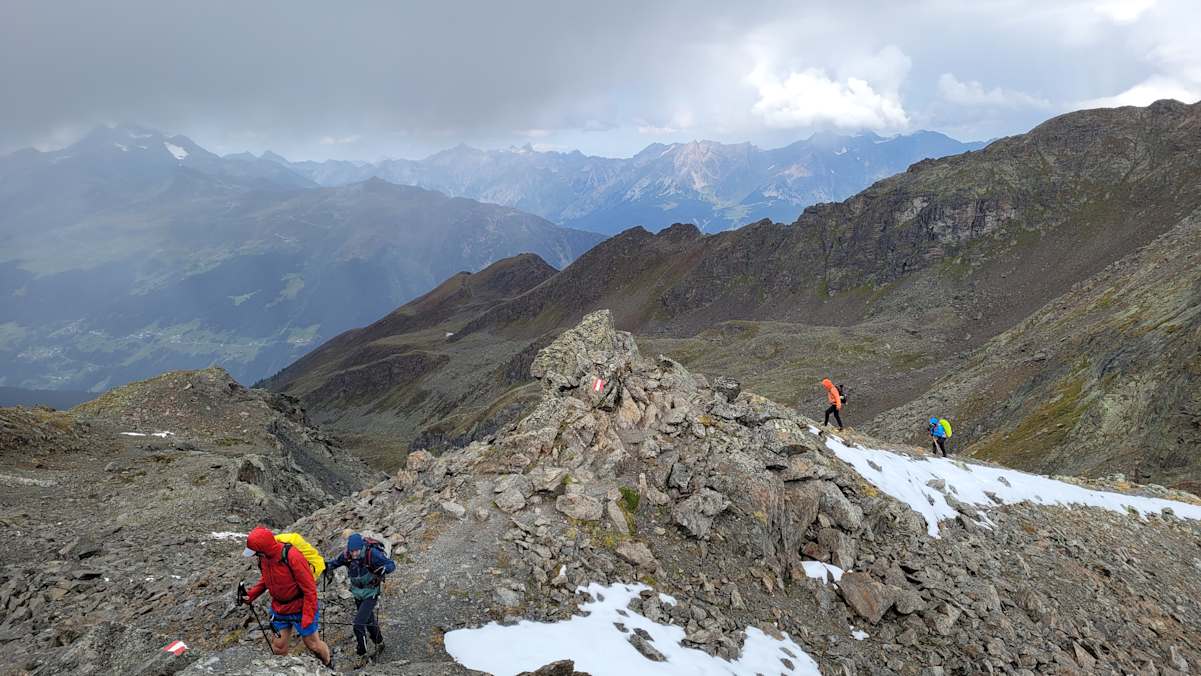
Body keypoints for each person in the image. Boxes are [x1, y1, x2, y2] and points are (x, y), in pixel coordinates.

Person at [240, 526, 332, 668]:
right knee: (278, 648)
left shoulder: (292, 556)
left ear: (264, 549)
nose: (255, 556)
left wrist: (307, 617)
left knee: (314, 646)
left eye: (256, 552)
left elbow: (309, 589)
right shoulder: (264, 559)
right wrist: (251, 595)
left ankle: (328, 665)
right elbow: (266, 579)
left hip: (300, 608)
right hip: (280, 609)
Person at [327, 533, 397, 666]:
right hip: (357, 593)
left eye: (356, 551)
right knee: (368, 619)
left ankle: (362, 654)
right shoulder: (346, 555)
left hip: (371, 592)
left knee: (358, 624)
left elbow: (391, 564)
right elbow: (334, 563)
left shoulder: (373, 554)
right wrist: (324, 566)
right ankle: (379, 642)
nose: (354, 554)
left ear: (361, 548)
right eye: (352, 551)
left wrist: (384, 569)